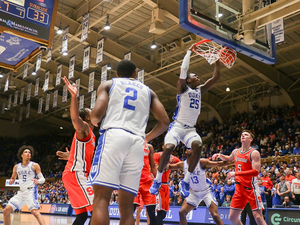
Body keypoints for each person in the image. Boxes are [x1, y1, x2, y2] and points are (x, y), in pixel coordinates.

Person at [88, 59, 169, 225]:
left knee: (101, 199)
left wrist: (94, 119)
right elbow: (165, 122)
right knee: (126, 207)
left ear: (117, 74)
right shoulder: (149, 91)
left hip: (114, 136)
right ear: (135, 73)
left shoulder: (109, 84)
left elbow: (96, 115)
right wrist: (146, 137)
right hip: (138, 143)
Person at [150, 44, 220, 197]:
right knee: (168, 148)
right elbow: (183, 70)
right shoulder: (183, 88)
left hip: (190, 129)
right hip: (177, 126)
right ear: (188, 80)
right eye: (195, 77)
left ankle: (186, 180)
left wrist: (216, 60)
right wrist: (189, 52)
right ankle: (157, 179)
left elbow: (215, 78)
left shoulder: (199, 90)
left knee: (198, 145)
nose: (198, 78)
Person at [56, 77, 95, 225]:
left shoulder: (92, 135)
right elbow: (74, 118)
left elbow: (81, 152)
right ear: (87, 117)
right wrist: (74, 97)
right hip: (77, 173)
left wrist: (70, 155)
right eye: (92, 112)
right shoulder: (84, 127)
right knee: (97, 209)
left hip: (75, 173)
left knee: (82, 216)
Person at [212, 130, 266, 225]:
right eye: (242, 135)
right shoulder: (235, 151)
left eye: (246, 135)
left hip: (251, 188)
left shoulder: (254, 153)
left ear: (251, 139)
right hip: (239, 188)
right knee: (232, 218)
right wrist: (220, 155)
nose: (243, 136)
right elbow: (229, 158)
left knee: (258, 217)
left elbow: (255, 172)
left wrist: (236, 173)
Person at [168, 149, 234, 225]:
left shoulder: (201, 162)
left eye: (192, 148)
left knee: (215, 216)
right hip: (194, 193)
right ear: (185, 152)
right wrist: (163, 162)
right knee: (182, 212)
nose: (191, 149)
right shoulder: (183, 164)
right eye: (188, 148)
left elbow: (218, 164)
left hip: (206, 191)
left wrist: (234, 162)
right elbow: (169, 167)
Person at [3, 146, 46, 225]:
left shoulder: (35, 165)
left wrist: (38, 181)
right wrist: (12, 180)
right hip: (21, 192)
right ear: (21, 155)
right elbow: (12, 178)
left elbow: (43, 179)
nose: (28, 153)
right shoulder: (16, 167)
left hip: (31, 191)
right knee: (6, 211)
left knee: (35, 212)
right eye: (26, 152)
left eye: (29, 152)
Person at [154, 152, 180, 225]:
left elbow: (181, 164)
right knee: (160, 212)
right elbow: (154, 167)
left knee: (164, 214)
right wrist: (163, 165)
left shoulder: (172, 157)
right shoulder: (157, 155)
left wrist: (171, 165)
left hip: (166, 185)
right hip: (159, 185)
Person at [133, 143, 157, 225]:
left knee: (152, 212)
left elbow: (153, 166)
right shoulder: (129, 143)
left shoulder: (149, 146)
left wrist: (157, 181)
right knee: (129, 212)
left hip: (147, 182)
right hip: (133, 181)